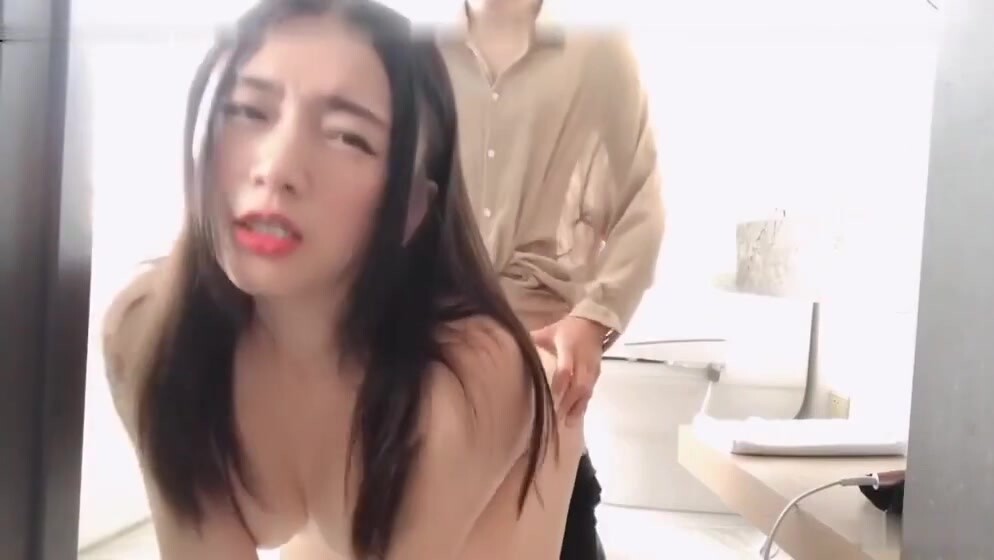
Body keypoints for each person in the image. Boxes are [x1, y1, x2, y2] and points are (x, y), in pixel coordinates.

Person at [101, 0, 585, 558]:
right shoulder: (146, 335)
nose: (276, 168)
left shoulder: (458, 392)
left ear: (411, 208)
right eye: (248, 110)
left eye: (347, 137)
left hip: (517, 459)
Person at [438, 1, 665, 558]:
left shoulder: (598, 48)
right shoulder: (407, 46)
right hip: (422, 368)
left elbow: (642, 204)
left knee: (564, 524)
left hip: (541, 377)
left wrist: (592, 319)